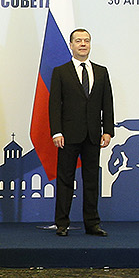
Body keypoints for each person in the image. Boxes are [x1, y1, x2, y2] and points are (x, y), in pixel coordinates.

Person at [48, 28, 114, 237]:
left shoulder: (101, 71)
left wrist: (108, 130)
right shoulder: (60, 71)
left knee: (92, 180)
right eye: (78, 41)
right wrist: (56, 132)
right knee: (65, 180)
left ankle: (92, 224)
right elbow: (54, 105)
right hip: (67, 135)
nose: (83, 44)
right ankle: (62, 224)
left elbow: (107, 103)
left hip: (93, 135)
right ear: (71, 45)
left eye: (86, 40)